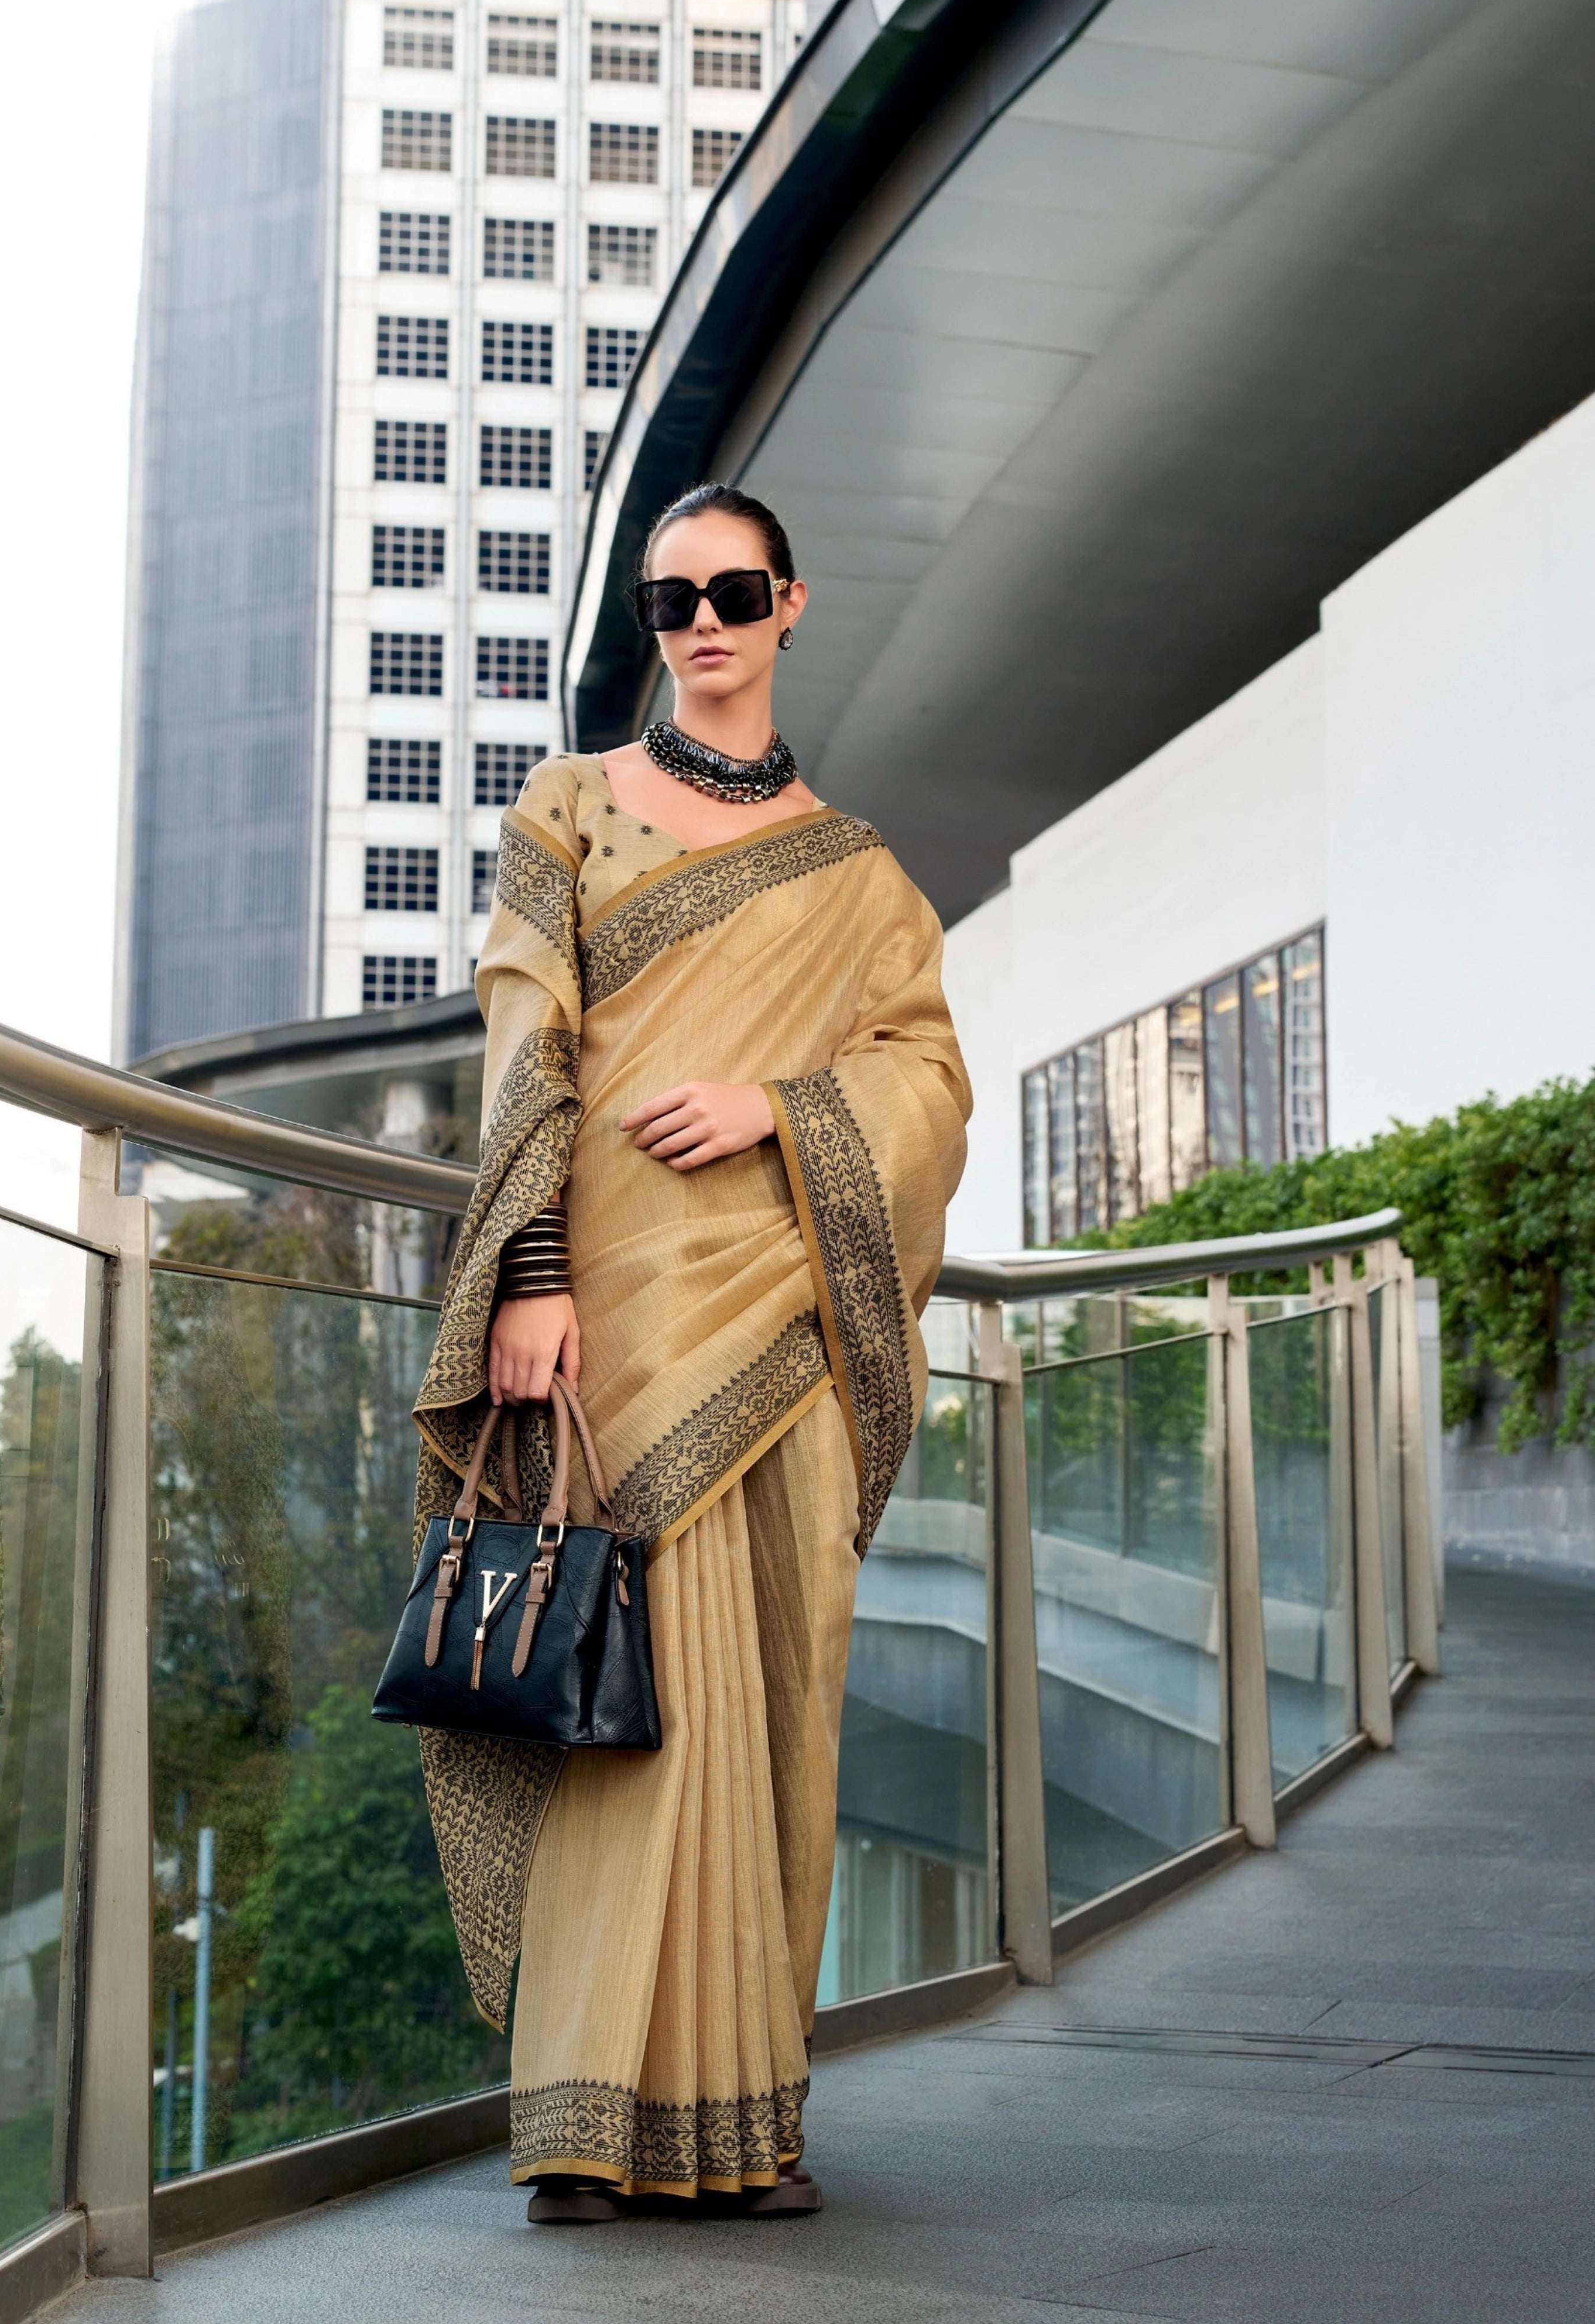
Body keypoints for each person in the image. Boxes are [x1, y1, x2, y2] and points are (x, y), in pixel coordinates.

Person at [411, 482, 970, 2220]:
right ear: (650, 626)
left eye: (733, 593)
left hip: (786, 1325)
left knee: (769, 1710)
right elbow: (531, 1043)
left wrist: (779, 1107)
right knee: (611, 1709)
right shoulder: (571, 806)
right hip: (611, 1316)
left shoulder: (864, 875)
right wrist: (535, 1272)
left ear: (792, 603)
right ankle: (582, 2129)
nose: (702, 624)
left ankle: (745, 2127)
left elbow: (931, 1081)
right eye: (670, 603)